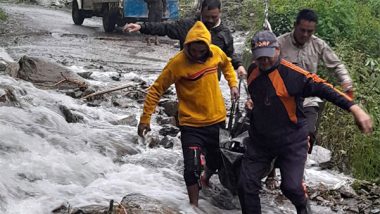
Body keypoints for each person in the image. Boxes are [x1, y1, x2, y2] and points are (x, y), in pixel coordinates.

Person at [238, 30, 372, 214]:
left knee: (290, 187)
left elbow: (325, 88)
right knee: (246, 185)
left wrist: (354, 108)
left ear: (278, 50)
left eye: (268, 57)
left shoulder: (293, 75)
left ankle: (303, 208)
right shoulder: (253, 70)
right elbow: (260, 94)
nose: (265, 62)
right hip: (261, 140)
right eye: (260, 58)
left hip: (291, 140)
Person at [137, 21, 239, 207]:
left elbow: (227, 65)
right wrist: (145, 119)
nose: (197, 55)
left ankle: (206, 177)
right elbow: (155, 90)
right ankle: (194, 207)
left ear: (207, 47)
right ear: (187, 45)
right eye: (194, 51)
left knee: (217, 160)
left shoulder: (216, 52)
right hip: (191, 125)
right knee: (191, 168)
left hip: (216, 120)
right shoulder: (177, 63)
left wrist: (233, 85)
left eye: (202, 51)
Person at [264, 8, 356, 189]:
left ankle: (295, 175)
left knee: (307, 133)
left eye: (310, 31)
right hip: (283, 99)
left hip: (308, 100)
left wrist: (346, 82)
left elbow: (336, 64)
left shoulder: (318, 45)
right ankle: (271, 172)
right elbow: (265, 68)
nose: (305, 34)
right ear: (295, 26)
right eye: (302, 30)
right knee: (276, 135)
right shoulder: (279, 43)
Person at [123, 0, 247, 78]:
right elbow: (165, 27)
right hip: (187, 77)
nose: (209, 20)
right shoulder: (187, 26)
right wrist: (141, 26)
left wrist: (239, 66)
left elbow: (229, 53)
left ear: (220, 12)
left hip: (211, 80)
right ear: (201, 11)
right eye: (206, 16)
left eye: (213, 17)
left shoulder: (224, 33)